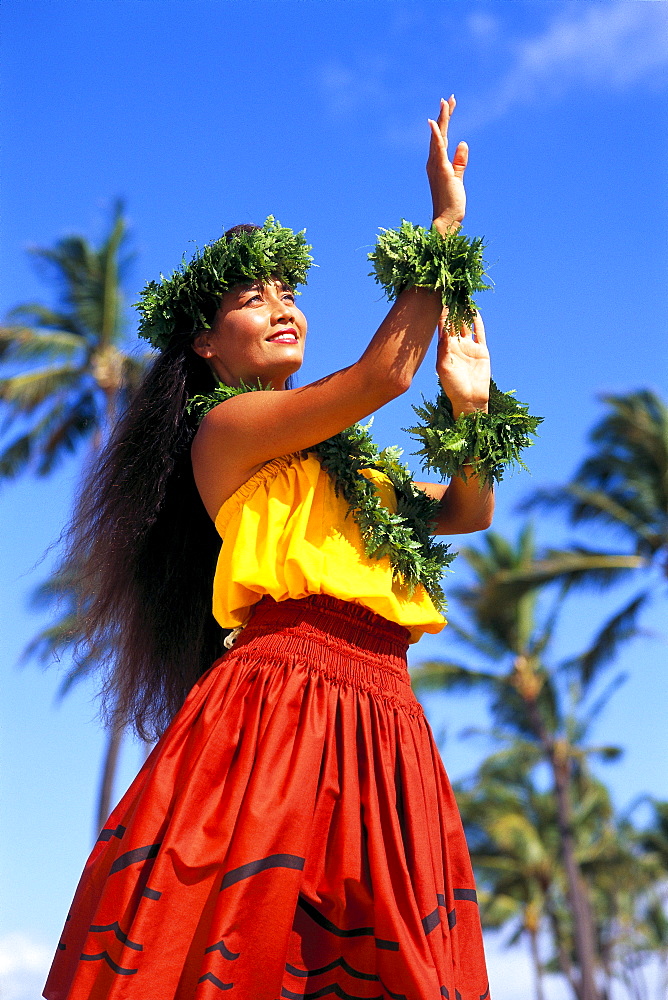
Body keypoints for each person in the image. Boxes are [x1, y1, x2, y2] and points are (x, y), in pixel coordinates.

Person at [43, 97, 516, 1000]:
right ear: (206, 344)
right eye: (250, 300)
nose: (281, 308)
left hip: (388, 718)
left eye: (288, 293)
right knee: (247, 953)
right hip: (280, 704)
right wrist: (446, 226)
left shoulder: (346, 468)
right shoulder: (227, 433)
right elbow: (384, 373)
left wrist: (472, 410)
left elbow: (466, 511)